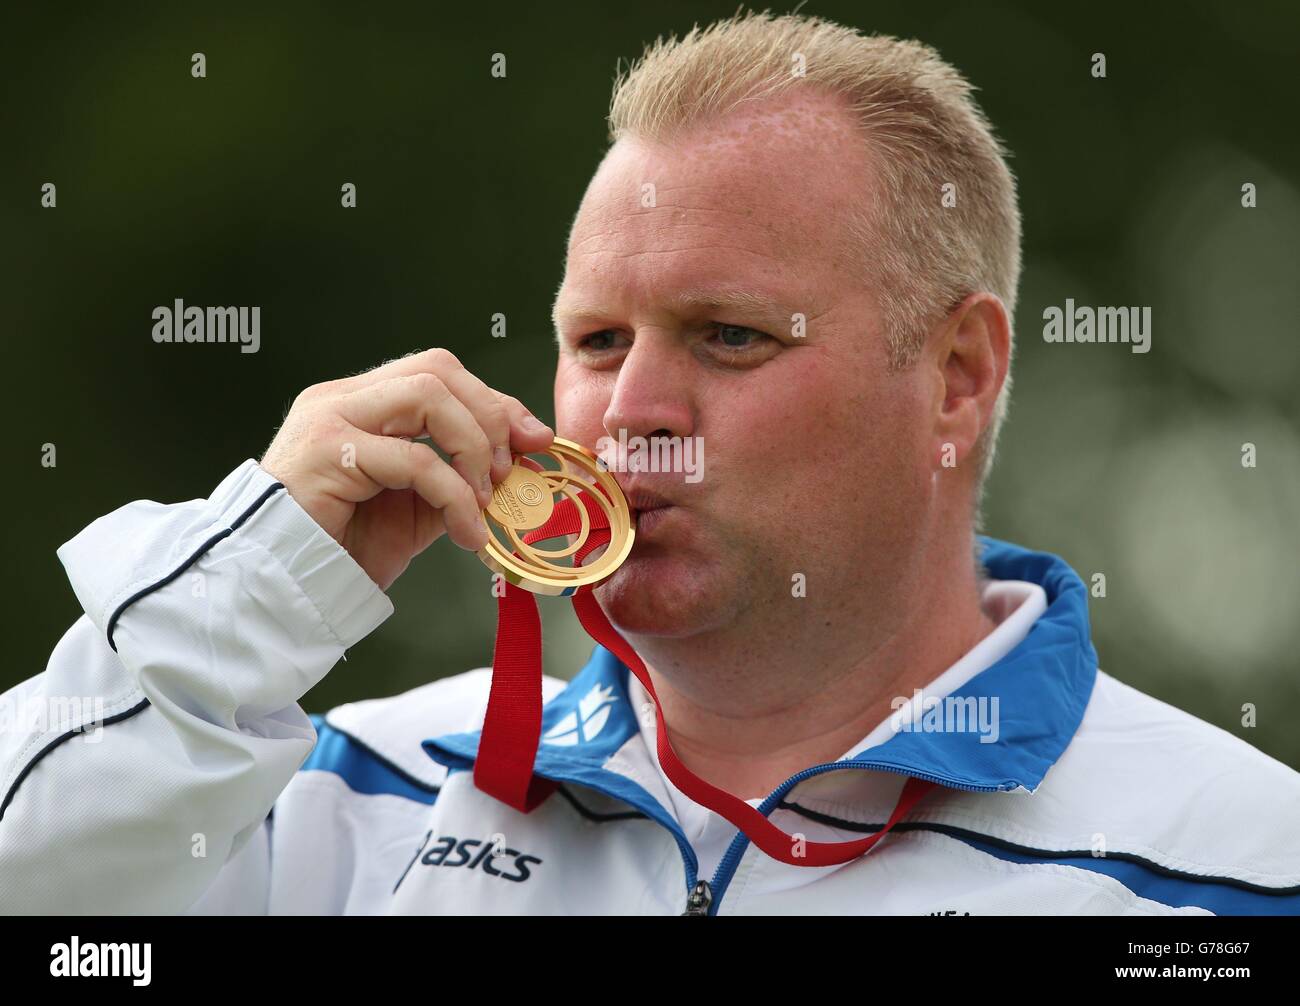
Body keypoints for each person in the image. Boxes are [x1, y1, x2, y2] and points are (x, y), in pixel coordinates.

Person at [2, 11, 1297, 916]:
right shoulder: (337, 797)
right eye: (596, 338)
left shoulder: (1239, 866)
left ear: (957, 374)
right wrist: (242, 607)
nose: (630, 413)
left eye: (730, 335)